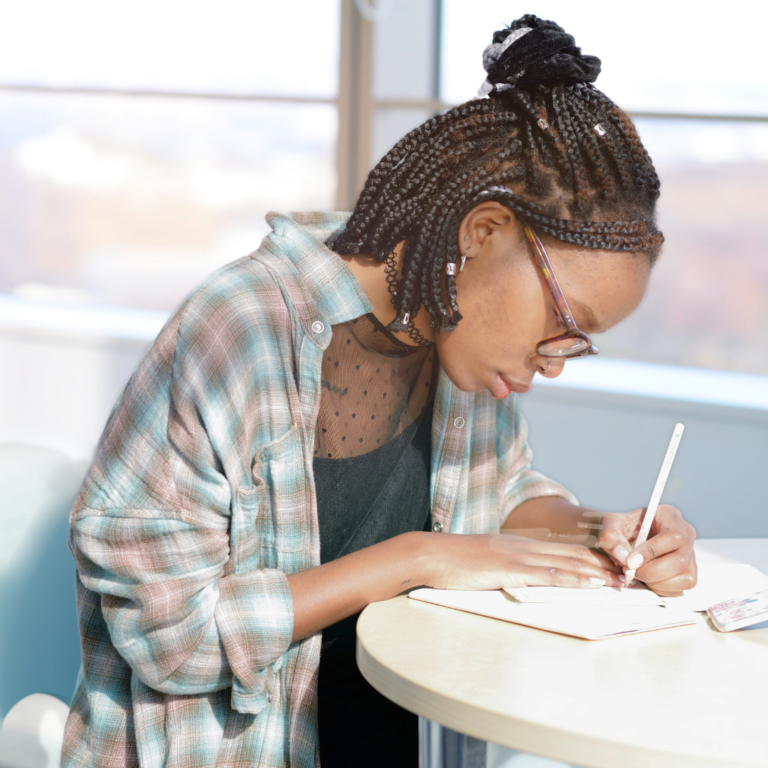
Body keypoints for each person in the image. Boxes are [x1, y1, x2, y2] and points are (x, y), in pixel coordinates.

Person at [61, 14, 697, 768]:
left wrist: (598, 533)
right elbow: (174, 635)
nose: (557, 360)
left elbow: (497, 498)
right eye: (564, 321)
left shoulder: (457, 345)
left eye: (579, 343)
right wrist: (411, 558)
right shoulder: (242, 331)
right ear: (480, 232)